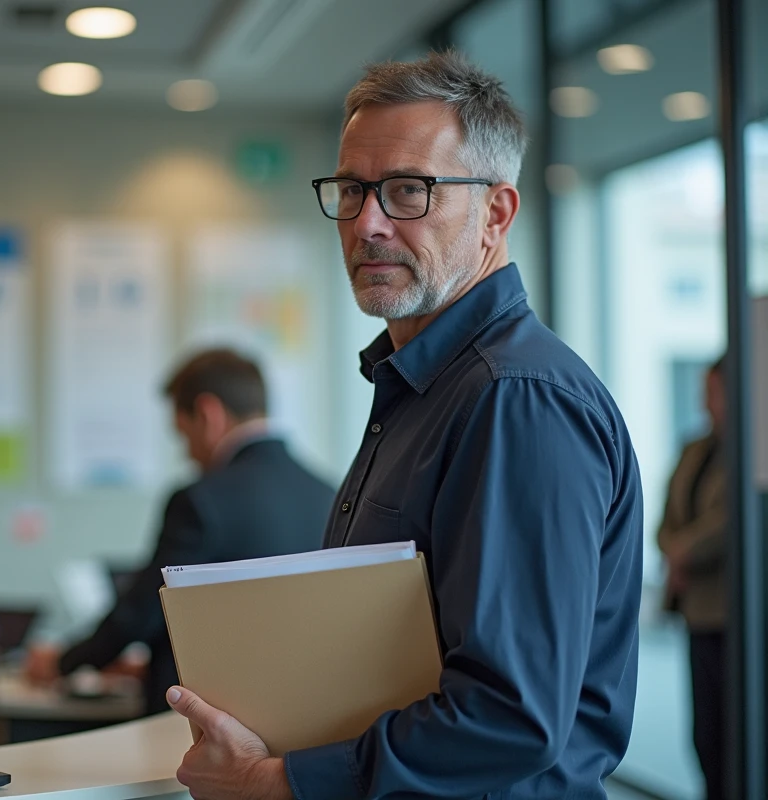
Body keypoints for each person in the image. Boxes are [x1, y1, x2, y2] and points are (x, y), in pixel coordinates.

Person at [165, 51, 643, 800]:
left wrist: (277, 781)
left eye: (408, 191)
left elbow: (508, 717)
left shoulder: (515, 399)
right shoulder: (423, 388)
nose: (368, 223)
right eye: (352, 190)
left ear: (496, 214)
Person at [27, 348, 335, 715]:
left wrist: (63, 662)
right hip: (300, 710)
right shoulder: (328, 493)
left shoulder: (201, 499)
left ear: (207, 414)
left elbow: (142, 612)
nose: (187, 454)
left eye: (183, 435)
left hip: (201, 719)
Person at [658, 356, 728, 800]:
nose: (705, 401)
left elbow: (730, 522)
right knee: (705, 732)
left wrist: (682, 553)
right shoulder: (694, 448)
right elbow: (667, 516)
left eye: (713, 391)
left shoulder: (750, 453)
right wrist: (672, 548)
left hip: (728, 610)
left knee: (734, 727)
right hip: (694, 610)